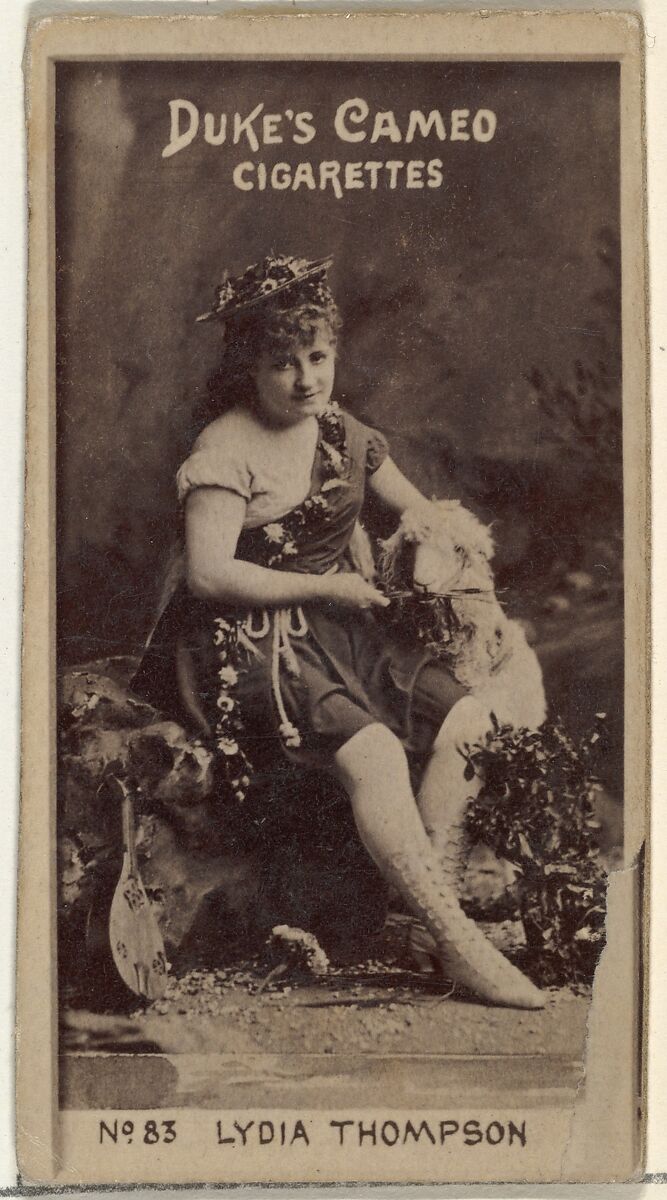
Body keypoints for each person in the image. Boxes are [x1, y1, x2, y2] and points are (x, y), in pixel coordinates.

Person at [133, 253, 544, 1010]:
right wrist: (329, 586)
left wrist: (440, 556)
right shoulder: (226, 447)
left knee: (469, 719)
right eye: (282, 363)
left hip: (342, 626)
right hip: (250, 642)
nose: (305, 379)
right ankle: (460, 945)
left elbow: (417, 511)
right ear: (248, 367)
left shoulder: (341, 433)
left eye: (318, 357)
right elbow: (209, 576)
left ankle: (422, 920)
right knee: (376, 752)